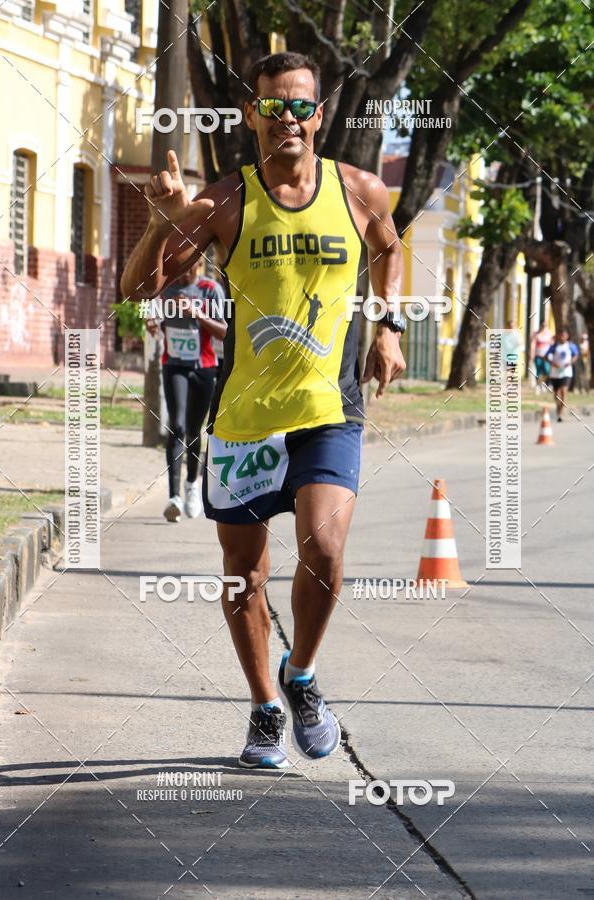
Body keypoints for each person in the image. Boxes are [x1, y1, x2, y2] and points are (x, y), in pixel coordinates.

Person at [121, 51, 406, 768]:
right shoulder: (223, 202)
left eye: (302, 106)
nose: (289, 119)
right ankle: (262, 708)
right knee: (243, 575)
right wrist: (163, 221)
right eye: (274, 106)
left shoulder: (362, 190)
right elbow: (136, 290)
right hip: (245, 417)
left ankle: (301, 674)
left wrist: (390, 326)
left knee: (326, 550)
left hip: (329, 409)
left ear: (320, 115)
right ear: (251, 114)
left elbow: (389, 247)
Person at [152, 260, 227, 521]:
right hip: (174, 365)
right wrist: (152, 325)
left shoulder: (210, 289)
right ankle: (174, 497)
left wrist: (197, 314)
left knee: (195, 431)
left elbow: (225, 331)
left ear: (200, 265)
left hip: (204, 368)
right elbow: (155, 321)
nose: (185, 273)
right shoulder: (166, 290)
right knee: (178, 426)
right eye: (181, 266)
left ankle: (192, 486)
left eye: (191, 267)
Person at [546, 327, 579, 422]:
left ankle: (561, 413)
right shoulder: (554, 346)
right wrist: (552, 363)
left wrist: (570, 362)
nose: (562, 337)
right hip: (555, 373)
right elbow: (546, 357)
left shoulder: (571, 346)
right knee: (556, 394)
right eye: (560, 335)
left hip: (566, 372)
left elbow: (576, 355)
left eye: (564, 335)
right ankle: (558, 407)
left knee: (564, 391)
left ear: (567, 336)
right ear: (558, 336)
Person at [529, 321, 552, 392]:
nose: (543, 327)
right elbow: (533, 344)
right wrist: (532, 354)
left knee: (547, 371)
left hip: (546, 357)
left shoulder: (549, 334)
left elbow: (551, 344)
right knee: (538, 371)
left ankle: (543, 384)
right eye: (542, 325)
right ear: (540, 325)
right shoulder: (536, 334)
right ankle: (538, 386)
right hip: (538, 355)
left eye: (545, 325)